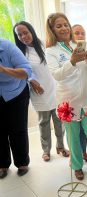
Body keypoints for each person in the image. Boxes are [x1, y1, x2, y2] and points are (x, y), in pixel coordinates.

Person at [45, 12, 87, 180]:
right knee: (73, 137)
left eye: (65, 24)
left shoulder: (80, 44)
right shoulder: (51, 51)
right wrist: (72, 62)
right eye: (59, 26)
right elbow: (57, 75)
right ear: (52, 30)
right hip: (68, 103)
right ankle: (77, 166)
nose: (64, 28)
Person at [13, 21, 69, 162]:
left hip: (55, 88)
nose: (23, 36)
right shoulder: (20, 52)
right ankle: (46, 150)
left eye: (25, 32)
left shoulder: (45, 44)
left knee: (59, 121)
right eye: (19, 35)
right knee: (44, 123)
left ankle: (61, 146)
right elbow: (23, 69)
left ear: (31, 31)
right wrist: (31, 80)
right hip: (39, 92)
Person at [0, 38, 33, 178]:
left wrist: (3, 69)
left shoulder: (7, 46)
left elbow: (27, 71)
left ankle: (22, 162)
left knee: (18, 129)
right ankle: (2, 163)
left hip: (16, 91)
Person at [72, 24, 87, 163]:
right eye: (77, 33)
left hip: (86, 97)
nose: (80, 36)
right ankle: (75, 158)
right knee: (74, 132)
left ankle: (84, 152)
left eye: (83, 33)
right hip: (71, 98)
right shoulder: (67, 50)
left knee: (85, 131)